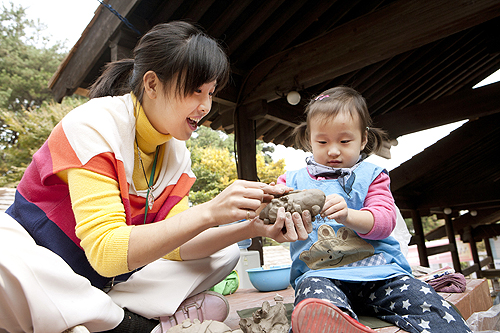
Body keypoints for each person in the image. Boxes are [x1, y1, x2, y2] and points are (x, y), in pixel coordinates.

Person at [0, 21, 312, 333]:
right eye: (195, 90)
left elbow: (175, 246)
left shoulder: (175, 151)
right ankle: (133, 324)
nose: (205, 106)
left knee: (225, 253)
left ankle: (98, 316)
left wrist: (252, 227)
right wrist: (210, 210)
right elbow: (107, 252)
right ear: (151, 84)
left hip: (103, 280)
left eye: (211, 92)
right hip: (46, 262)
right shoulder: (93, 125)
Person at [276, 87, 471, 333]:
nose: (333, 150)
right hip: (320, 275)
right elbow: (275, 219)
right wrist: (272, 205)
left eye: (345, 141)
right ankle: (338, 323)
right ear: (309, 139)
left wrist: (348, 215)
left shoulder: (372, 176)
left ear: (363, 139)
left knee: (433, 308)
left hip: (382, 273)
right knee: (314, 305)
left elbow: (384, 221)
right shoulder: (290, 181)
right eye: (322, 141)